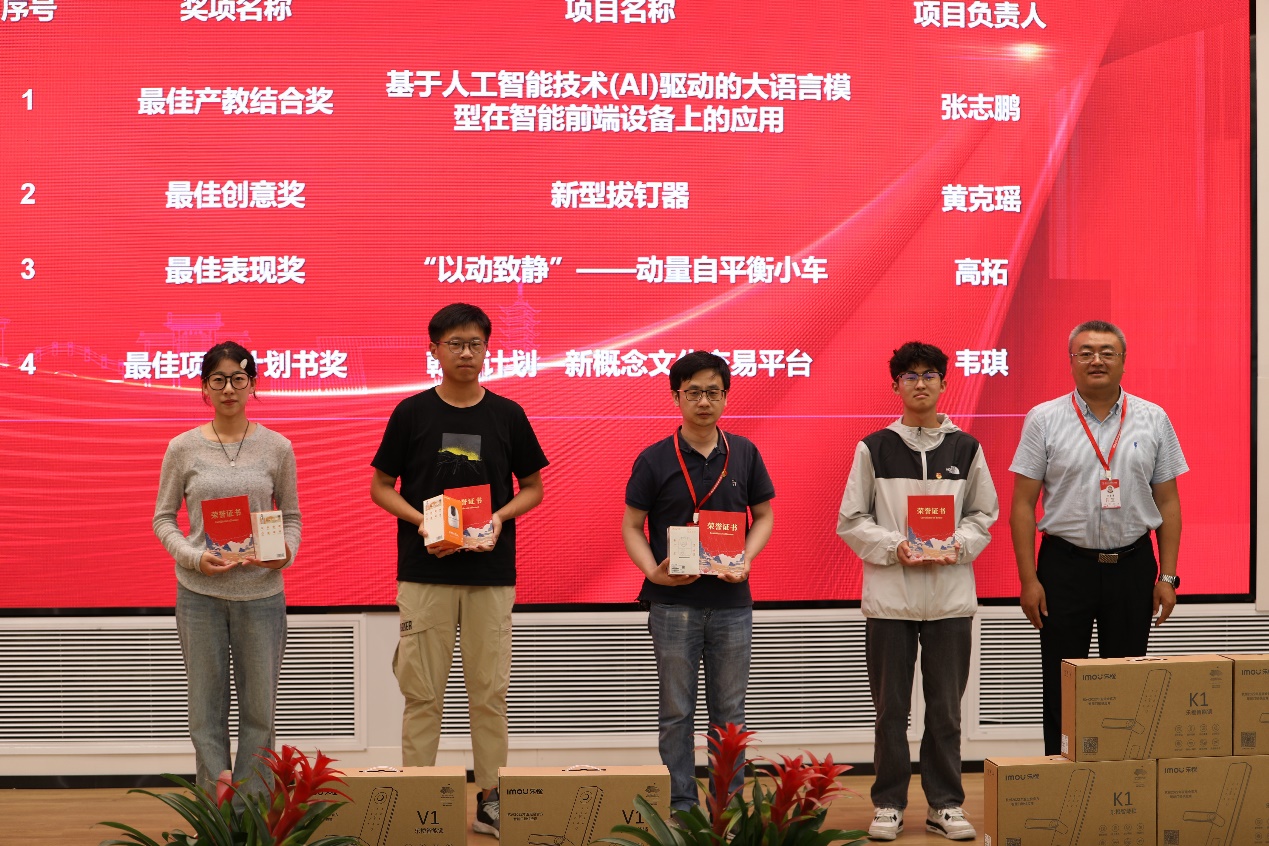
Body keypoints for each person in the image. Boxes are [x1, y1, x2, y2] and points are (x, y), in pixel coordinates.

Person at [370, 303, 548, 839]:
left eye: (474, 343)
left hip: (490, 573)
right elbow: (381, 487)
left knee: (489, 695)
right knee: (422, 694)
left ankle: (491, 800)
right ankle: (419, 798)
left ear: (487, 349)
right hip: (425, 573)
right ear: (434, 350)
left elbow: (533, 488)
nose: (465, 352)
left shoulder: (508, 415)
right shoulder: (411, 413)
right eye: (454, 343)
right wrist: (423, 523)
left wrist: (500, 516)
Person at [836, 342, 998, 842]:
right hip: (890, 601)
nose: (920, 383)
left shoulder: (966, 448)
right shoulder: (874, 447)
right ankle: (888, 804)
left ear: (944, 383)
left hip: (950, 600)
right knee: (891, 711)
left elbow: (983, 515)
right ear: (896, 386)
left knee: (946, 710)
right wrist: (895, 546)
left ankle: (945, 805)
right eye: (910, 375)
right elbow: (851, 520)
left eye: (930, 374)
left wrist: (958, 544)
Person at [1009, 320, 1186, 756]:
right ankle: (1060, 773)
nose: (1096, 360)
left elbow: (1168, 502)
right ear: (1071, 362)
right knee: (1062, 681)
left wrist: (1168, 577)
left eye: (1107, 352)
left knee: (1127, 683)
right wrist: (1029, 580)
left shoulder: (1153, 418)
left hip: (1132, 567)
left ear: (1123, 361)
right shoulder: (1044, 419)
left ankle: (1122, 776)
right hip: (1064, 568)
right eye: (1085, 352)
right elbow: (1022, 506)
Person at [621, 351, 774, 815]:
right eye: (693, 392)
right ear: (676, 397)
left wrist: (746, 559)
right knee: (676, 713)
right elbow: (632, 526)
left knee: (730, 715)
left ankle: (726, 806)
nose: (704, 401)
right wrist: (652, 572)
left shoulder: (744, 453)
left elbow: (764, 516)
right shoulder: (654, 458)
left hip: (732, 604)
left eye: (713, 392)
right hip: (673, 605)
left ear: (725, 397)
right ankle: (681, 804)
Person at [153, 341, 301, 796]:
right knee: (205, 712)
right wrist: (194, 557)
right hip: (199, 596)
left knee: (259, 712)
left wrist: (284, 553)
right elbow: (163, 519)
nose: (229, 388)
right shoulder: (183, 448)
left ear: (253, 385)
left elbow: (292, 519)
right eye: (218, 379)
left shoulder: (277, 447)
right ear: (204, 388)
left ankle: (250, 815)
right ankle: (214, 813)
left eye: (239, 378)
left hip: (261, 595)